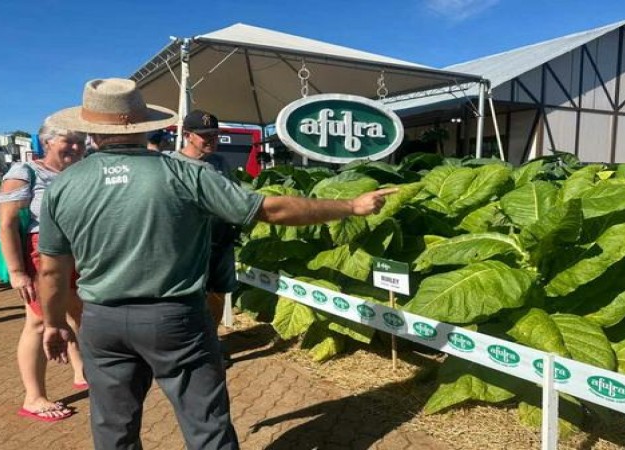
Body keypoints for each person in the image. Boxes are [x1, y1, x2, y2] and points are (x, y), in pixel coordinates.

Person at [37, 78, 396, 450]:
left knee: (113, 428)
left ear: (92, 131)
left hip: (101, 321)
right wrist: (351, 207)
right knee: (205, 424)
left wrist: (52, 324)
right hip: (174, 318)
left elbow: (51, 270)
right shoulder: (183, 173)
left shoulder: (64, 186)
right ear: (144, 125)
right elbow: (267, 209)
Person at [0, 125, 88, 422]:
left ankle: (81, 372)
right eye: (68, 141)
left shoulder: (77, 172)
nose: (75, 147)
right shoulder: (24, 172)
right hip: (43, 256)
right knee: (39, 322)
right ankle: (33, 397)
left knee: (77, 311)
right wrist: (17, 272)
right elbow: (7, 224)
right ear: (48, 142)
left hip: (77, 254)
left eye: (79, 142)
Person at [173, 109, 238, 367]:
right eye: (204, 136)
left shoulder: (220, 162)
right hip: (187, 244)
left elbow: (232, 196)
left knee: (218, 293)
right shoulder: (171, 162)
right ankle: (187, 346)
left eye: (214, 134)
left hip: (220, 239)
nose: (211, 139)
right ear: (188, 135)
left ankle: (211, 341)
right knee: (187, 297)